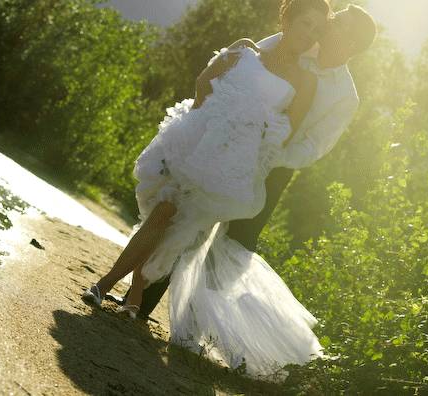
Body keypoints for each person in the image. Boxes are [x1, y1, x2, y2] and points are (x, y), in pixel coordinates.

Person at [121, 3, 377, 322]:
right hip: (231, 145)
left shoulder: (346, 97)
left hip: (275, 170)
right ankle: (141, 302)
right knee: (186, 216)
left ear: (350, 42)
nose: (328, 21)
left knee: (234, 246)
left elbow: (314, 146)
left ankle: (199, 326)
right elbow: (248, 67)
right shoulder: (298, 37)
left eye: (338, 21)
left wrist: (269, 155)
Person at [83, 0, 329, 316]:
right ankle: (121, 290)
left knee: (172, 223)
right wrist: (205, 124)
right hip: (198, 142)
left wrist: (245, 134)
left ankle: (112, 289)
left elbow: (288, 131)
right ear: (287, 19)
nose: (309, 34)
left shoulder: (306, 81)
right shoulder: (246, 50)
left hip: (232, 163)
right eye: (306, 23)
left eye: (317, 30)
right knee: (162, 215)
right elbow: (203, 83)